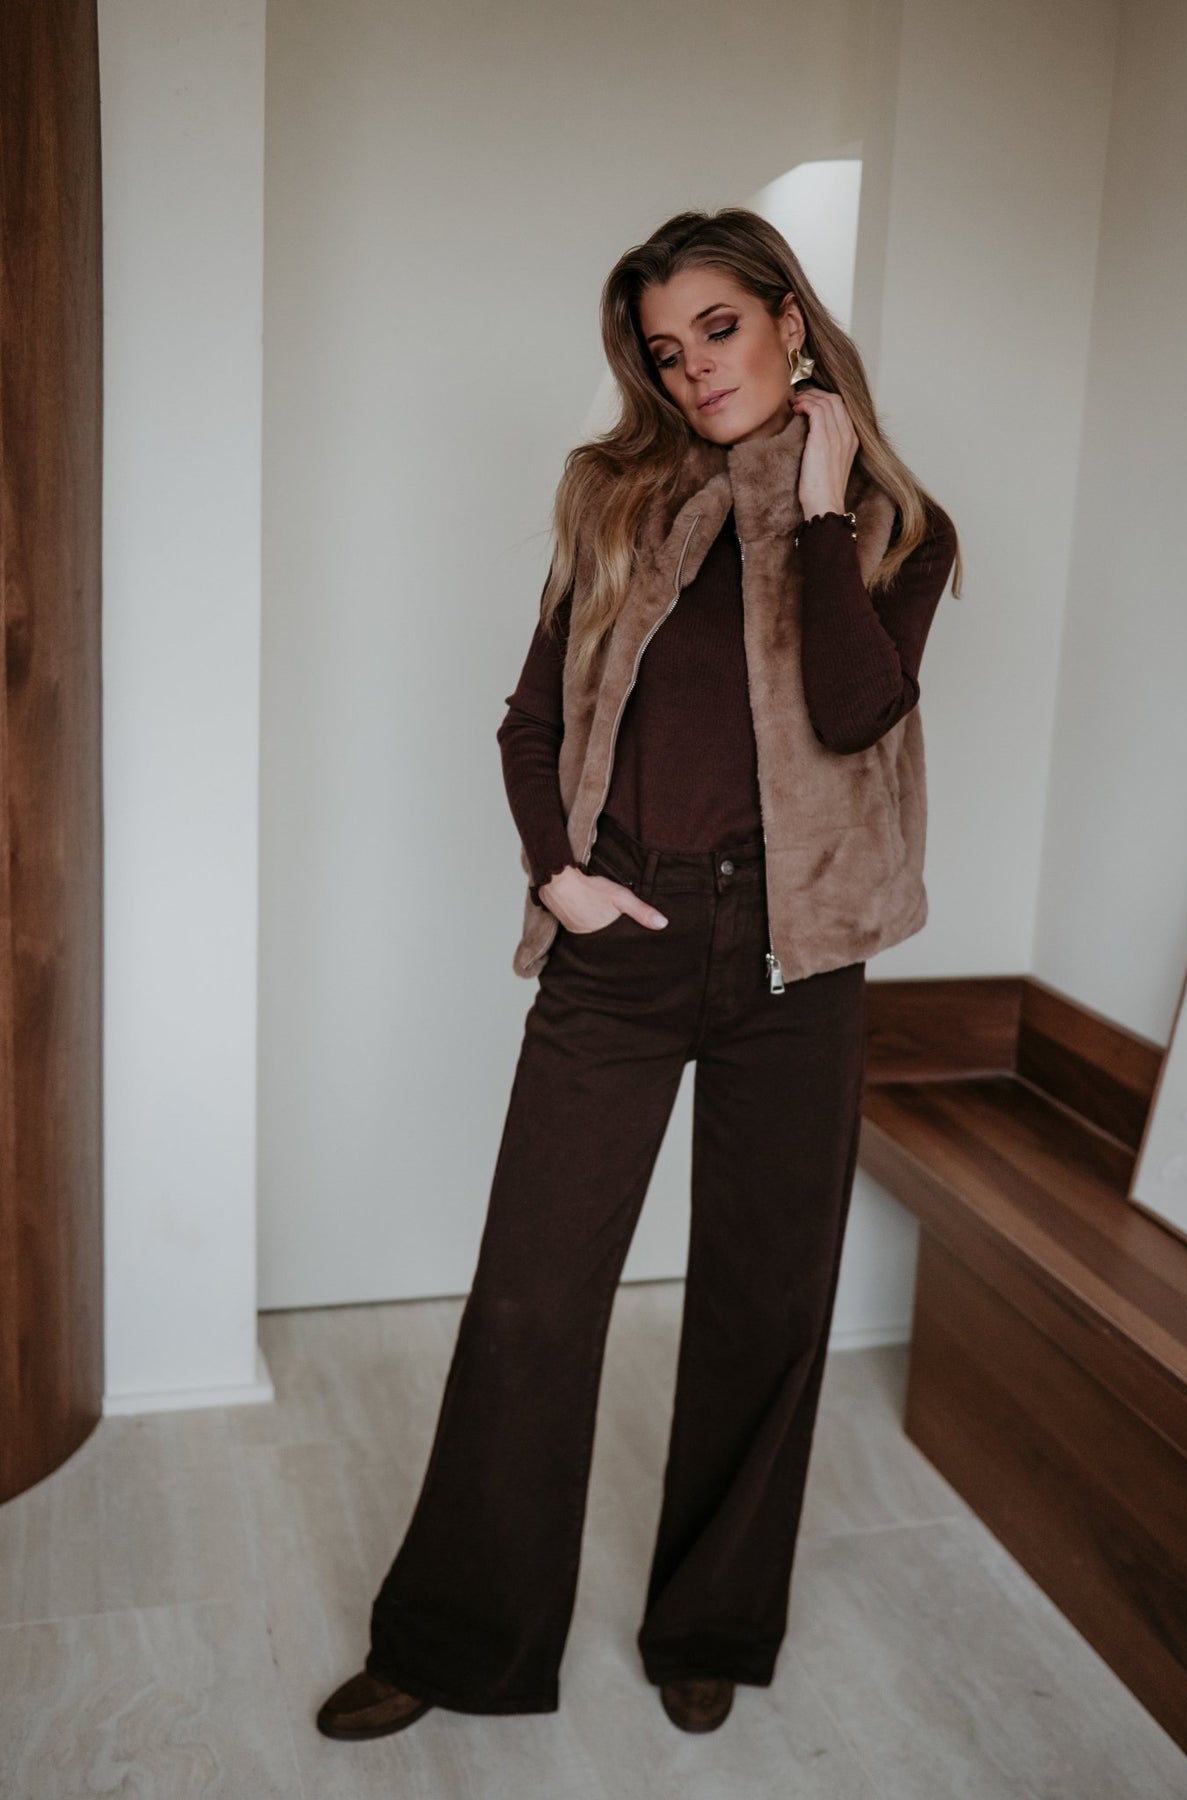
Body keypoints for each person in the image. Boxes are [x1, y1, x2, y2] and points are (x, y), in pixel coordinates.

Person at [317, 206, 961, 1743]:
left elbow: (854, 710)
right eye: (667, 352)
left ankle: (711, 1623)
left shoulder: (895, 527)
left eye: (718, 331)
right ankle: (458, 1640)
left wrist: (815, 508)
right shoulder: (614, 500)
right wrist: (558, 872)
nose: (694, 371)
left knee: (762, 1302)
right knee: (531, 1299)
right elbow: (530, 718)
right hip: (625, 943)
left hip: (799, 961)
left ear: (788, 320)